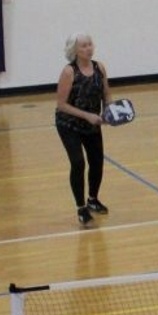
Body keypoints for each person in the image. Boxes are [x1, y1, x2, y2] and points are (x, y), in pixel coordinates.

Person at [55, 34, 112, 227]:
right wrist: (87, 115)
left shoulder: (100, 68)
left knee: (97, 161)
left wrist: (109, 112)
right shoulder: (69, 72)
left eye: (90, 44)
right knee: (78, 162)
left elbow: (106, 94)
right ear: (75, 51)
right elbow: (61, 105)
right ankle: (81, 208)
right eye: (84, 46)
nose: (89, 48)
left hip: (92, 124)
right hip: (68, 124)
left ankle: (93, 199)